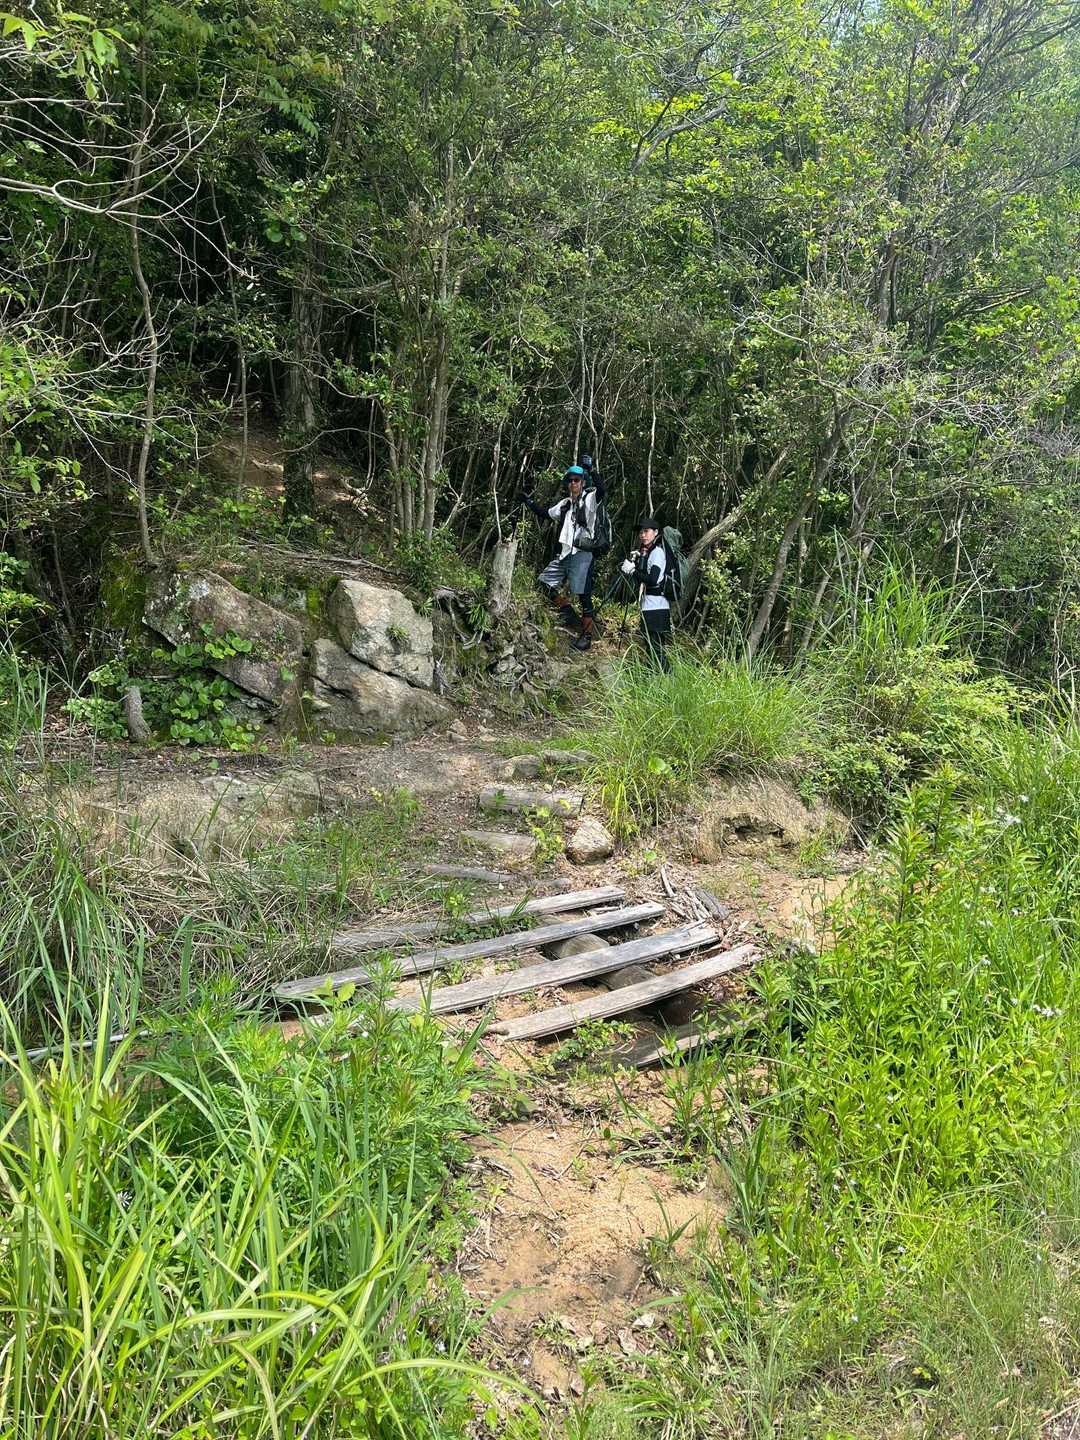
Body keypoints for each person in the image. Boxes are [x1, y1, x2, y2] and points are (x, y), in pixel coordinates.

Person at [521, 465, 599, 645]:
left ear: (583, 482)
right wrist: (529, 502)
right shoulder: (565, 504)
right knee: (543, 583)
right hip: (564, 554)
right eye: (570, 480)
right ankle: (567, 611)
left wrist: (592, 470)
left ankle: (586, 636)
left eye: (576, 480)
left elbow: (601, 489)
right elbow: (545, 513)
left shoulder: (590, 499)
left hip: (582, 554)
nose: (573, 483)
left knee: (584, 595)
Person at [621, 515, 671, 671]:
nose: (643, 535)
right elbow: (643, 578)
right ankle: (654, 676)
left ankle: (667, 676)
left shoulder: (657, 553)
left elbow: (653, 580)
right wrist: (636, 564)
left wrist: (632, 571)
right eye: (641, 532)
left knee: (655, 648)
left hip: (656, 607)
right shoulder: (647, 553)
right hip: (650, 606)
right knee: (651, 647)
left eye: (646, 531)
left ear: (655, 533)